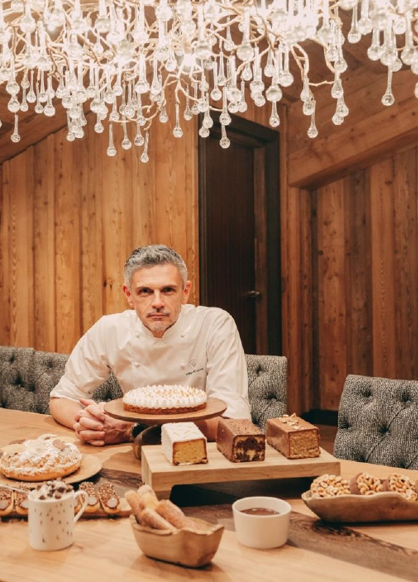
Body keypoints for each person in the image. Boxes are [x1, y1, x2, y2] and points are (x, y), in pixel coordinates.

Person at [49, 244, 250, 446]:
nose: (157, 302)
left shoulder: (215, 324)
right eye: (145, 291)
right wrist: (90, 423)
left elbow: (232, 422)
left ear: (185, 292)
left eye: (168, 290)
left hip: (201, 451)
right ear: (129, 295)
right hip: (134, 454)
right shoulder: (109, 329)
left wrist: (133, 429)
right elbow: (61, 399)